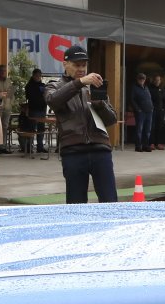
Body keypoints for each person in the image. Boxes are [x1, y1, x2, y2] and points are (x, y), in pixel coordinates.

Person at [47, 46, 119, 203]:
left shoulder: (94, 86)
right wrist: (79, 83)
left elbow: (112, 119)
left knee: (110, 201)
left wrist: (100, 104)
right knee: (76, 203)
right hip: (73, 151)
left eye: (84, 65)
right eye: (76, 65)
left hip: (100, 149)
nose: (81, 69)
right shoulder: (55, 86)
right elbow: (53, 100)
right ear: (65, 64)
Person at [23, 68, 47, 155]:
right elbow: (29, 96)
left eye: (40, 76)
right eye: (37, 76)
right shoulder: (29, 86)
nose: (38, 77)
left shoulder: (43, 85)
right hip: (33, 109)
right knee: (32, 129)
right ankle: (29, 147)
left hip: (42, 109)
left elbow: (46, 95)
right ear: (33, 76)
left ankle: (40, 147)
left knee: (41, 128)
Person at [128, 70, 154, 153]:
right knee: (139, 129)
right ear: (137, 79)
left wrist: (152, 107)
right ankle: (138, 146)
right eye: (140, 79)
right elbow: (132, 99)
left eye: (143, 79)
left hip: (149, 111)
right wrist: (137, 109)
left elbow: (149, 98)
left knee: (148, 130)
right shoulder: (134, 88)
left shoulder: (146, 87)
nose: (142, 80)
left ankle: (146, 146)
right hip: (141, 112)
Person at [149, 73, 165, 150]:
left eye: (159, 80)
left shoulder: (162, 89)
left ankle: (158, 143)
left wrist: (164, 109)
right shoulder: (150, 89)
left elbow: (164, 100)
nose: (157, 81)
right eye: (156, 80)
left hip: (160, 111)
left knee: (159, 127)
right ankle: (151, 143)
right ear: (154, 81)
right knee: (152, 127)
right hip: (152, 111)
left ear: (160, 81)